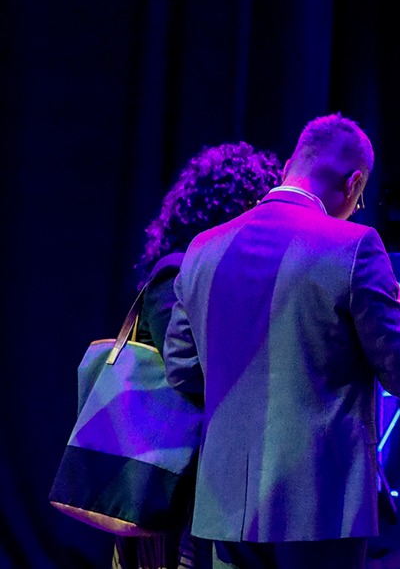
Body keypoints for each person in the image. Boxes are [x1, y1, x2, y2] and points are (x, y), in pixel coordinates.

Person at [163, 113, 400, 569]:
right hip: (320, 510)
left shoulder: (203, 248)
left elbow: (181, 370)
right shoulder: (354, 246)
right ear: (354, 184)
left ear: (290, 164)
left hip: (224, 505)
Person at [115, 142, 282, 569]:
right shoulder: (176, 270)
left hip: (194, 479)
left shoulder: (201, 272)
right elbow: (192, 369)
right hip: (169, 484)